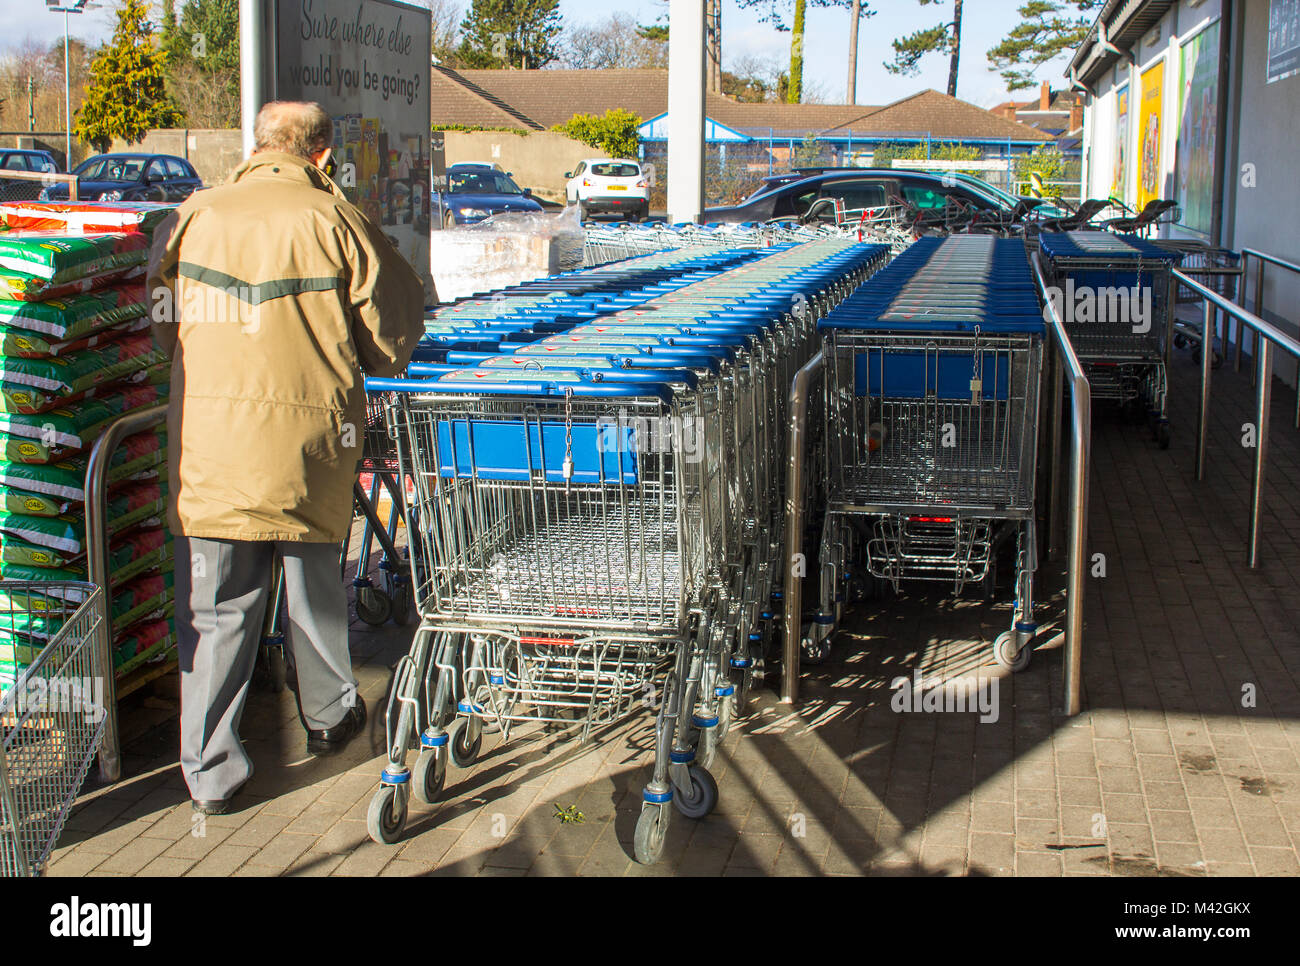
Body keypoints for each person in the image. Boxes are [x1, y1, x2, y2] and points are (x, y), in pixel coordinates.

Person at [147, 101, 425, 815]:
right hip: (310, 450)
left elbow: (159, 330)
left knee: (215, 613)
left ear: (257, 146)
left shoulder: (191, 218)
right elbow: (393, 333)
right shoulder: (335, 220)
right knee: (313, 596)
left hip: (210, 454)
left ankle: (209, 775)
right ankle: (330, 717)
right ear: (322, 154)